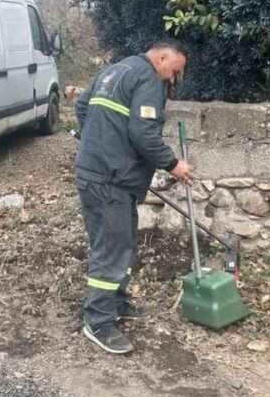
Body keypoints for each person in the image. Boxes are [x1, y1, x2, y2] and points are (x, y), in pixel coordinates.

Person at [74, 40, 194, 354]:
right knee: (111, 249)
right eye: (174, 71)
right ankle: (97, 322)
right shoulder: (147, 79)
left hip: (98, 173)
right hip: (109, 179)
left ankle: (117, 302)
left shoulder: (116, 69)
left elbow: (82, 106)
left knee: (121, 242)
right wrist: (173, 164)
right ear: (163, 57)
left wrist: (100, 142)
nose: (172, 79)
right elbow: (143, 134)